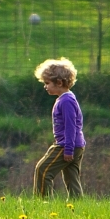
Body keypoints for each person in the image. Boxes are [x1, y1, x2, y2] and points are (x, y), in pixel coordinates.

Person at [32, 58, 85, 199]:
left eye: (47, 83)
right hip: (76, 145)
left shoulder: (66, 101)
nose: (45, 86)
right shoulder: (66, 99)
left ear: (59, 82)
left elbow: (70, 126)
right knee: (71, 178)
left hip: (66, 145)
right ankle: (77, 204)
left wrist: (68, 149)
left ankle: (42, 202)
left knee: (43, 170)